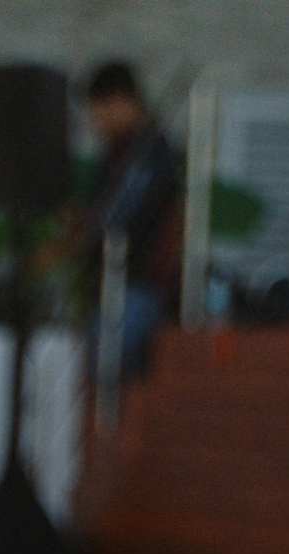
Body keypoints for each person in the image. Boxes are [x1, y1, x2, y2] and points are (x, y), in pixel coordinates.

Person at [73, 59, 181, 377]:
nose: (96, 121)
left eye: (100, 110)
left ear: (124, 101)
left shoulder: (149, 154)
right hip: (113, 289)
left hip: (141, 289)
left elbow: (116, 219)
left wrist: (77, 239)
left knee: (111, 353)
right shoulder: (116, 156)